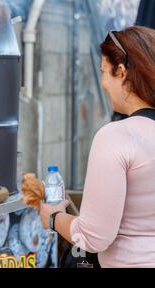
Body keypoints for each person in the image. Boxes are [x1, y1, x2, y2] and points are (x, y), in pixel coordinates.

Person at [39, 26, 155, 268]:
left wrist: (53, 217)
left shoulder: (116, 136)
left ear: (121, 72)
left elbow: (92, 237)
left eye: (104, 71)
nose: (103, 83)